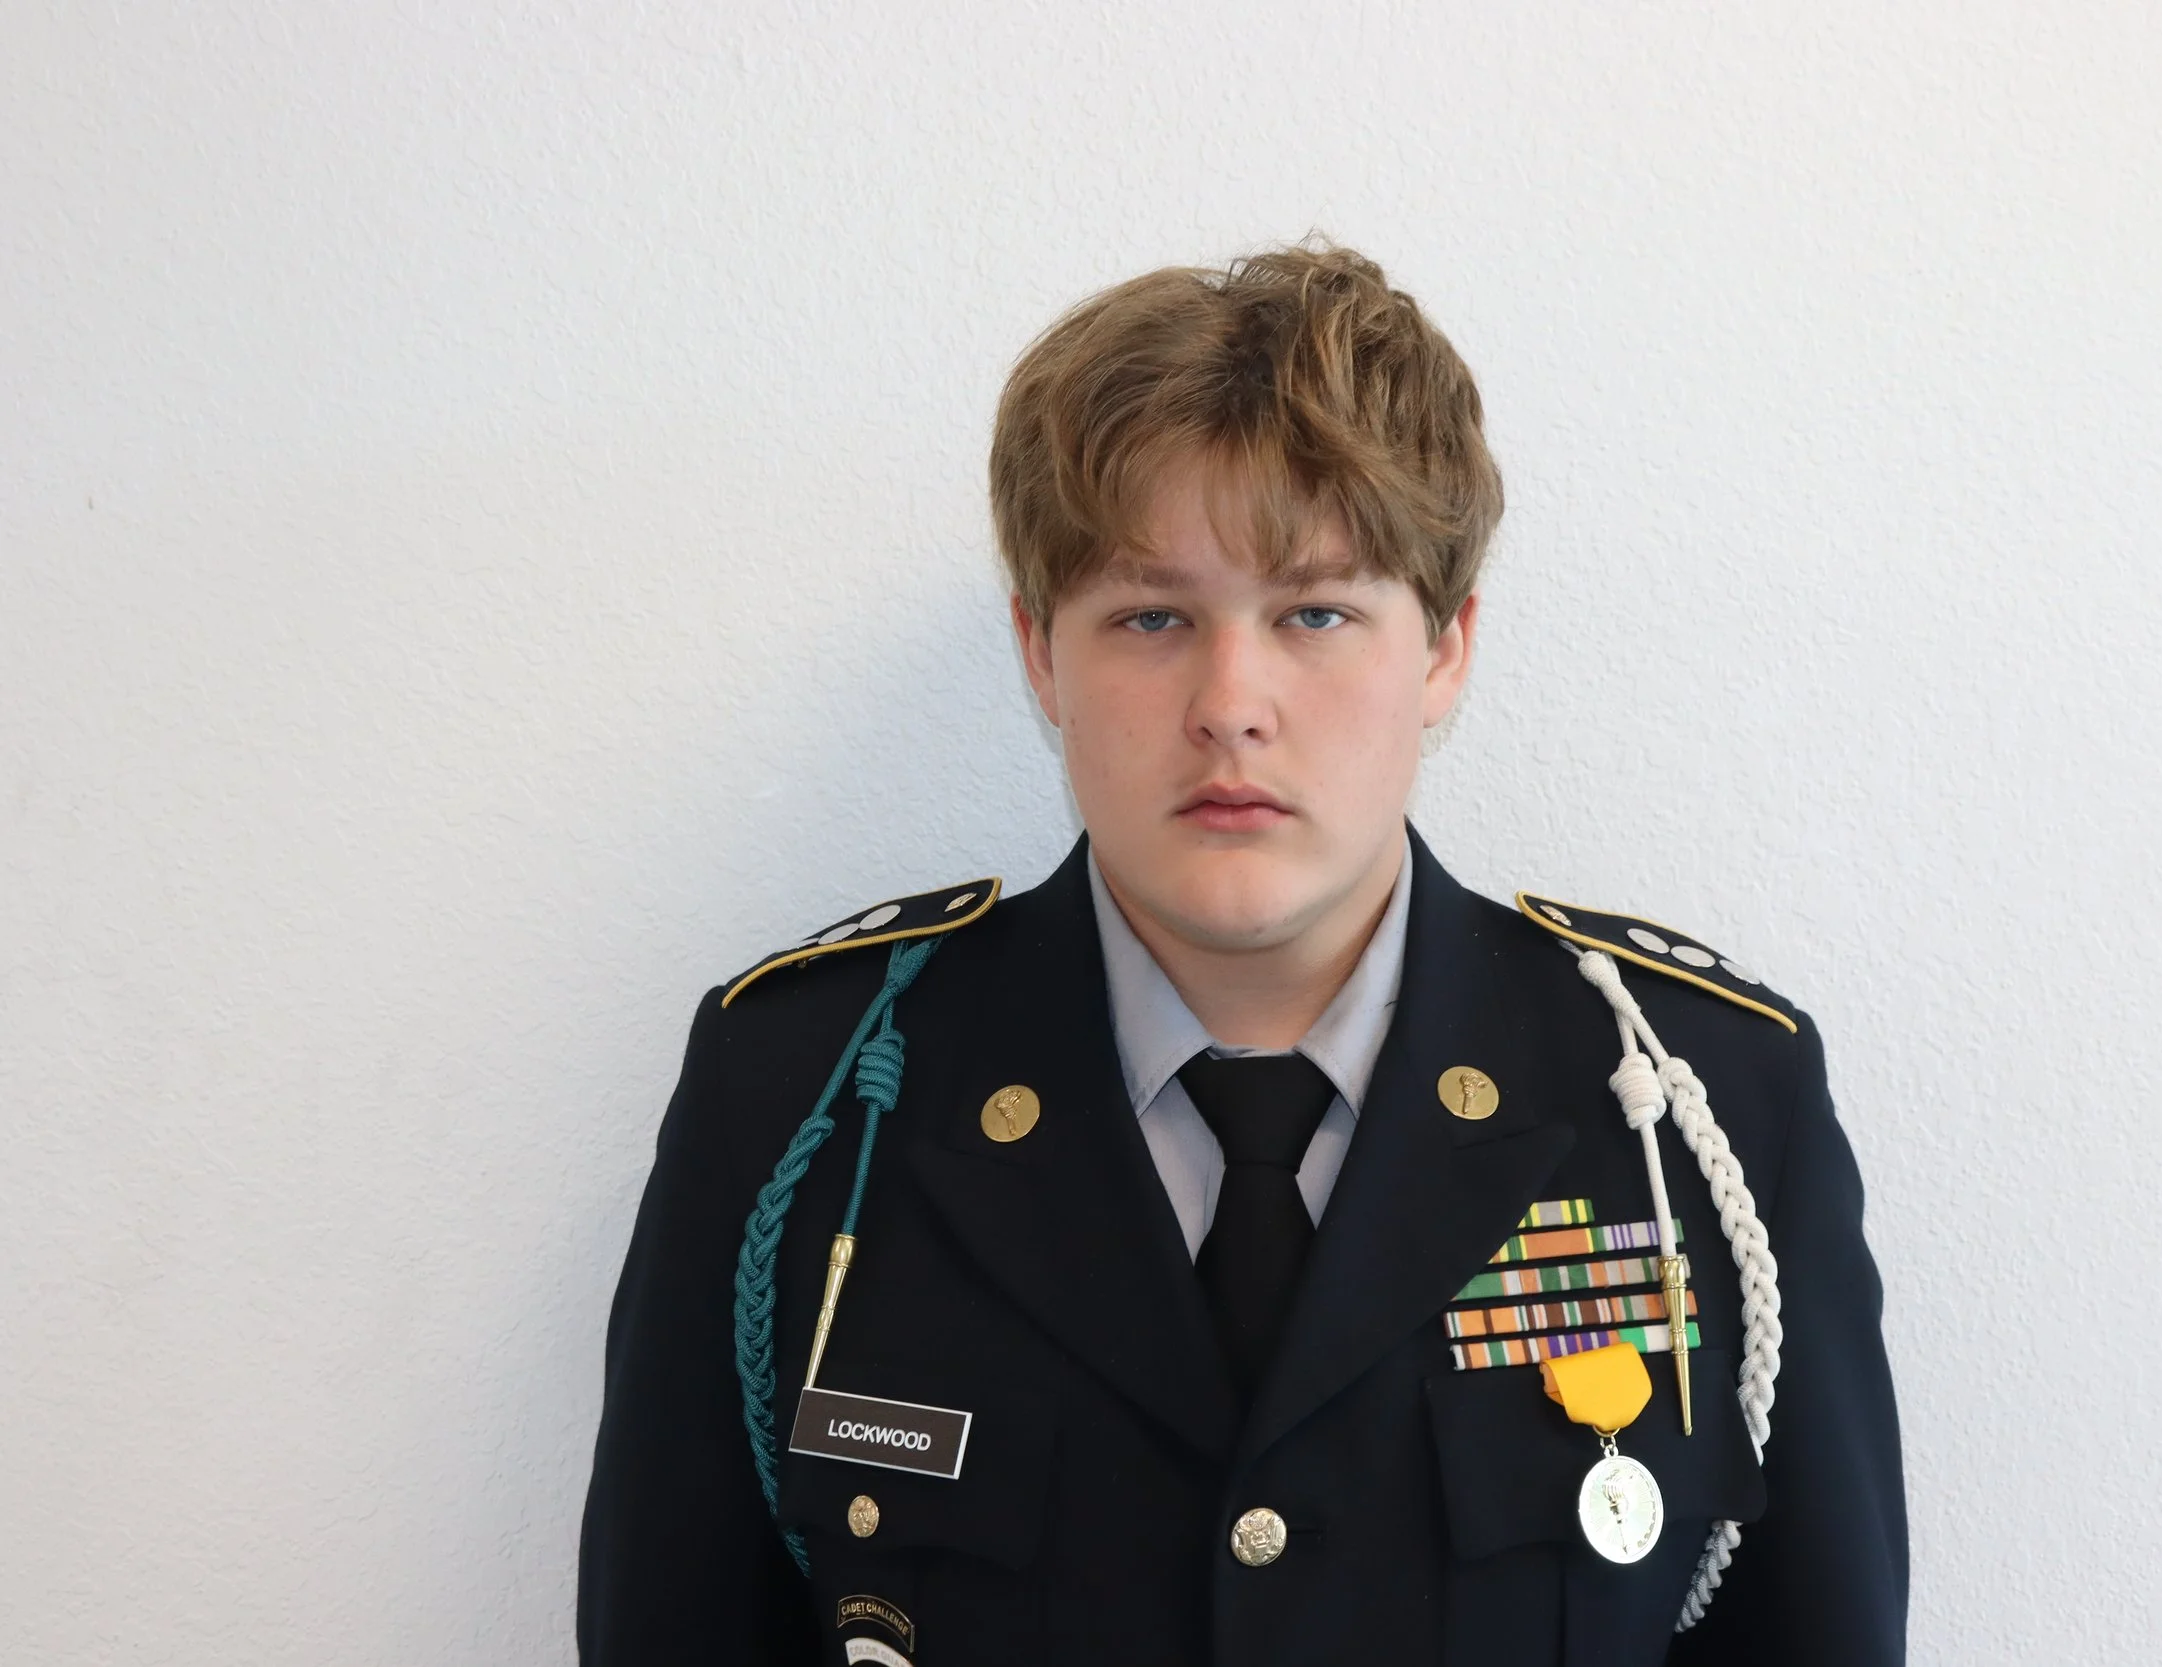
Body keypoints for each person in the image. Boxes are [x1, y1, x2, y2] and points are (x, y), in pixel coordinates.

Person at [577, 243, 1908, 1666]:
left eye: (1315, 613)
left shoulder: (1696, 1109)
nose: (1230, 703)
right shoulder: (809, 1096)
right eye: (1150, 617)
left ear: (1444, 650)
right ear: (1041, 654)